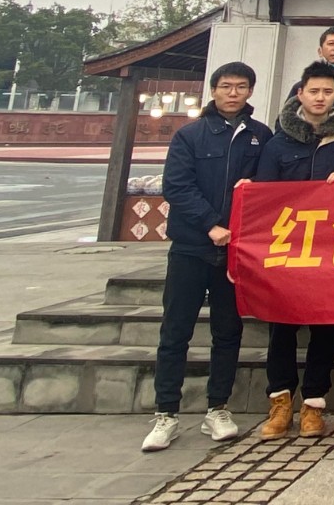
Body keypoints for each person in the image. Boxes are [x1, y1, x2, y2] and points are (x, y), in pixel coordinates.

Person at [141, 62, 271, 453]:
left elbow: (269, 185)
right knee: (175, 330)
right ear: (213, 90)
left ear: (250, 92)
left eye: (241, 87)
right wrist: (211, 223)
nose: (233, 93)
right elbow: (176, 186)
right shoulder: (190, 135)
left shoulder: (260, 136)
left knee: (227, 332)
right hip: (191, 247)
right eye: (226, 86)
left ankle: (218, 408)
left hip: (235, 252)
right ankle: (166, 413)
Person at [256, 61, 334, 440]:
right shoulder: (279, 142)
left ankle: (313, 405)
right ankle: (279, 403)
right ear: (300, 94)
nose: (321, 98)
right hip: (288, 249)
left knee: (326, 327)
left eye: (328, 92)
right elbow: (264, 196)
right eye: (314, 91)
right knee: (282, 328)